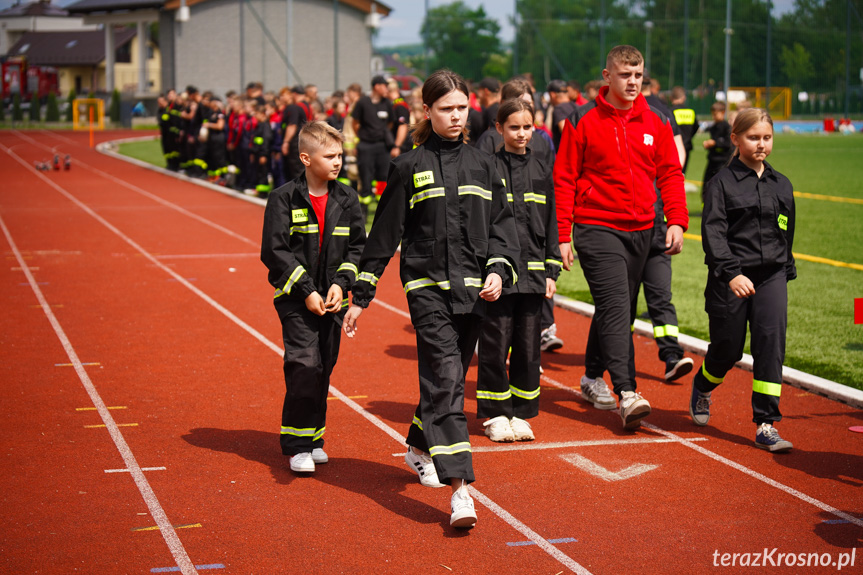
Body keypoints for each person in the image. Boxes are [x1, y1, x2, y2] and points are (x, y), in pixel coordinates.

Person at [343, 69, 520, 529]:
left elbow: (504, 229)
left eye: (462, 107)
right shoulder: (407, 167)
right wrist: (362, 295)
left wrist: (499, 271)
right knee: (446, 381)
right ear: (428, 111)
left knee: (451, 376)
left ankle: (419, 448)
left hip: (475, 293)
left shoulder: (487, 166)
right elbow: (383, 238)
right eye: (446, 109)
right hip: (427, 290)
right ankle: (461, 490)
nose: (457, 116)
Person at [554, 45, 688, 428]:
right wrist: (564, 235)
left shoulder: (657, 120)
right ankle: (627, 392)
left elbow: (670, 173)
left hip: (645, 228)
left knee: (618, 309)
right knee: (616, 307)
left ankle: (592, 376)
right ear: (607, 76)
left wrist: (676, 219)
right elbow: (564, 179)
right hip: (597, 228)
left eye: (638, 75)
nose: (633, 83)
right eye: (625, 75)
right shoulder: (582, 120)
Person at [260, 121, 366, 474]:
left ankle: (313, 437)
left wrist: (340, 284)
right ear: (306, 158)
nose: (338, 162)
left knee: (323, 368)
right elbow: (274, 252)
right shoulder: (283, 198)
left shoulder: (348, 198)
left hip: (334, 301)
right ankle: (296, 444)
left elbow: (356, 248)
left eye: (341, 155)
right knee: (304, 365)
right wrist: (306, 290)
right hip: (295, 299)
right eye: (330, 156)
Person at [689, 108, 796, 452]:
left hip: (772, 277)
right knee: (728, 350)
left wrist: (785, 269)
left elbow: (786, 228)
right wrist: (732, 273)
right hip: (730, 278)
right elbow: (714, 233)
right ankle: (703, 387)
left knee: (770, 345)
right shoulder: (720, 183)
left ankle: (766, 424)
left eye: (767, 137)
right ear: (735, 139)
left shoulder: (781, 183)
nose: (761, 144)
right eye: (753, 137)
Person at [477, 98, 562, 442]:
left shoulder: (541, 169)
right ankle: (496, 415)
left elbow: (551, 221)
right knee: (495, 345)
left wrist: (552, 270)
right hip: (498, 275)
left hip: (533, 275)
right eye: (514, 127)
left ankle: (522, 413)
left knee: (528, 347)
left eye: (528, 127)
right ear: (499, 128)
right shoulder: (487, 167)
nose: (522, 134)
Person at [351, 75, 395, 218]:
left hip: (382, 146)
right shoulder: (363, 102)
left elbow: (390, 123)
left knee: (383, 176)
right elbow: (355, 122)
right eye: (385, 86)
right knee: (366, 176)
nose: (387, 89)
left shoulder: (387, 103)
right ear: (377, 86)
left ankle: (381, 207)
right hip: (366, 146)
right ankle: (363, 208)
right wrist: (365, 135)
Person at [702, 101, 732, 193]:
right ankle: (705, 204)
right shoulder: (714, 127)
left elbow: (728, 143)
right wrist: (709, 145)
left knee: (719, 185)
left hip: (722, 161)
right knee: (706, 184)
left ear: (723, 112)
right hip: (712, 159)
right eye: (712, 114)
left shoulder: (727, 127)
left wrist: (715, 143)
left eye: (715, 114)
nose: (713, 117)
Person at [670, 86, 698, 175]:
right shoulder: (691, 112)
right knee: (682, 174)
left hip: (673, 147)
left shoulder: (670, 112)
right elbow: (696, 128)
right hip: (687, 147)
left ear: (671, 98)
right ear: (684, 98)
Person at [547, 79, 575, 151]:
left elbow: (565, 130)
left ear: (552, 95)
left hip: (565, 153)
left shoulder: (559, 109)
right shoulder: (576, 106)